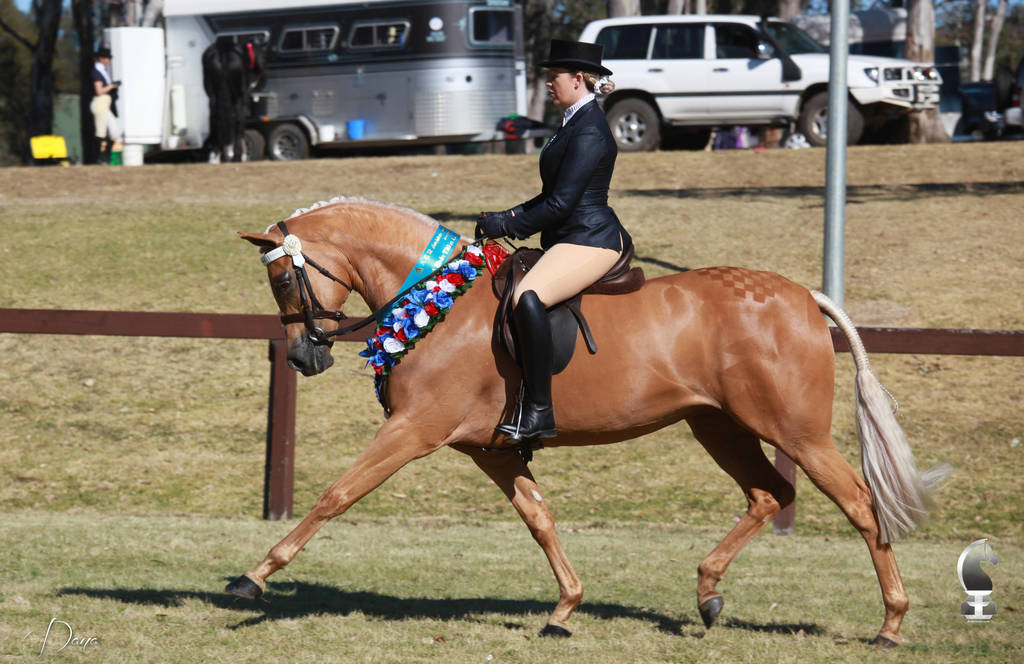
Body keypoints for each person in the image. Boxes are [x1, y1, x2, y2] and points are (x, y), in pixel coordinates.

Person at [475, 39, 632, 441]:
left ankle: (541, 411)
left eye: (553, 77)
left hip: (591, 239)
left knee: (527, 296)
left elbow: (562, 202)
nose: (548, 84)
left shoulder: (591, 129)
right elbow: (551, 196)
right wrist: (505, 216)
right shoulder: (570, 123)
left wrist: (509, 225)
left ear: (578, 79)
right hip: (568, 236)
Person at [90, 47, 122, 165]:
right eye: (106, 58)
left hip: (106, 104)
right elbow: (99, 90)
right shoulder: (96, 71)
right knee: (101, 132)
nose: (108, 60)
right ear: (101, 59)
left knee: (115, 132)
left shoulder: (102, 71)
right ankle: (99, 158)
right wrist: (112, 86)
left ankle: (105, 157)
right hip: (100, 103)